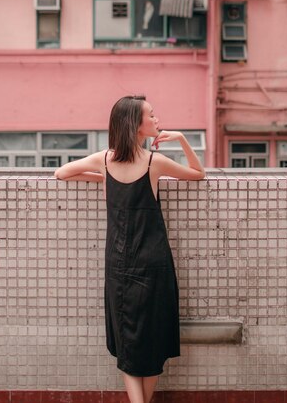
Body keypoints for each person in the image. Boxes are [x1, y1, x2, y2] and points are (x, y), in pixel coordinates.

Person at [54, 95, 205, 403]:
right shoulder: (155, 162)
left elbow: (62, 173)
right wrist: (182, 140)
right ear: (137, 125)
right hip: (155, 262)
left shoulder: (104, 160)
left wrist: (105, 180)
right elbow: (198, 173)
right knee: (152, 339)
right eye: (152, 115)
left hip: (120, 263)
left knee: (127, 340)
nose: (157, 120)